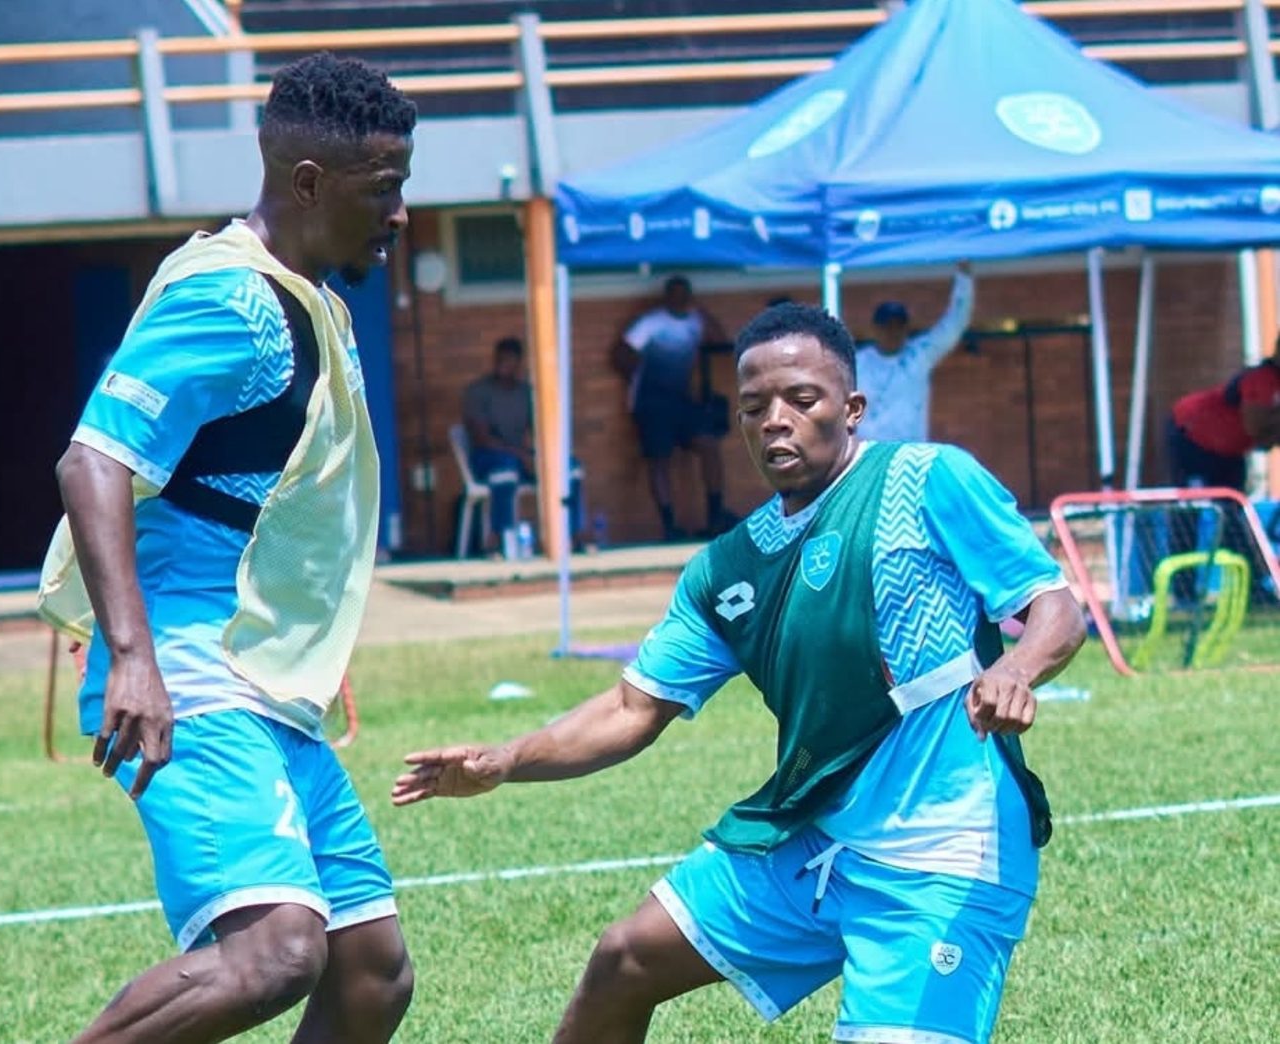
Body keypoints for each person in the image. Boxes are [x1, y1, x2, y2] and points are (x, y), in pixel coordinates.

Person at [395, 301, 1085, 1044]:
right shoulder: (730, 567)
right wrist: (506, 760)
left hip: (942, 850)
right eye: (753, 407)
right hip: (809, 836)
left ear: (852, 408)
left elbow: (1055, 606)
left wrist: (1016, 668)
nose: (775, 421)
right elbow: (633, 709)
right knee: (624, 959)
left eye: (802, 399)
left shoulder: (927, 481)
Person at [39, 54, 416, 1043]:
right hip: (188, 665)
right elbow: (94, 461)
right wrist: (132, 657)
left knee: (370, 970)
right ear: (308, 183)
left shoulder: (313, 302)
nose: (402, 212)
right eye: (386, 190)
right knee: (277, 952)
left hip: (258, 676)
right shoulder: (234, 302)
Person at [612, 276, 737, 541]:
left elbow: (720, 341)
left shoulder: (695, 320)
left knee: (708, 444)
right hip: (651, 402)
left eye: (685, 294)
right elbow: (620, 353)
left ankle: (715, 515)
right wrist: (641, 374)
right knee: (660, 459)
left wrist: (702, 313)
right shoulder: (651, 323)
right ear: (667, 296)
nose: (680, 299)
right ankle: (669, 525)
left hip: (682, 400)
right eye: (675, 294)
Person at [460, 336, 583, 554]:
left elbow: (543, 431)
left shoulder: (526, 393)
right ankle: (500, 540)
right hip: (487, 459)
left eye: (508, 360)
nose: (502, 365)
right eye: (499, 359)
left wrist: (541, 457)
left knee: (571, 468)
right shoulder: (478, 392)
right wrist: (522, 455)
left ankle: (574, 535)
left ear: (518, 363)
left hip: (521, 459)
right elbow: (482, 438)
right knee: (504, 472)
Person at [855, 261, 974, 442]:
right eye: (886, 327)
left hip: (911, 456)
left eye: (898, 327)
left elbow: (954, 324)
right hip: (872, 456)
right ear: (875, 329)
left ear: (906, 329)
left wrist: (964, 279)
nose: (892, 332)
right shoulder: (857, 363)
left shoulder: (918, 356)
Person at [1167, 349, 1280, 491]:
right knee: (1196, 504)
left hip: (1229, 449)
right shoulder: (1264, 378)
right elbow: (1255, 428)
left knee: (1232, 506)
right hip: (1192, 433)